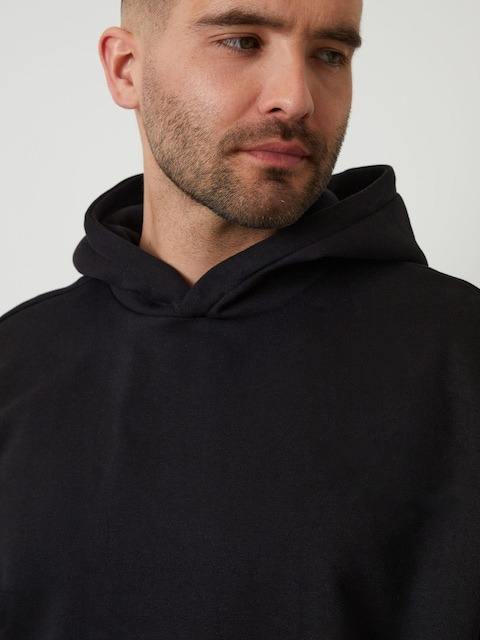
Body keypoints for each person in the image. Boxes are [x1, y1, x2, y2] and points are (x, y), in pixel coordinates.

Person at [1, 0, 479, 638]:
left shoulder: (461, 352)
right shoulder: (17, 361)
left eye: (330, 54)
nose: (296, 98)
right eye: (242, 41)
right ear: (126, 68)